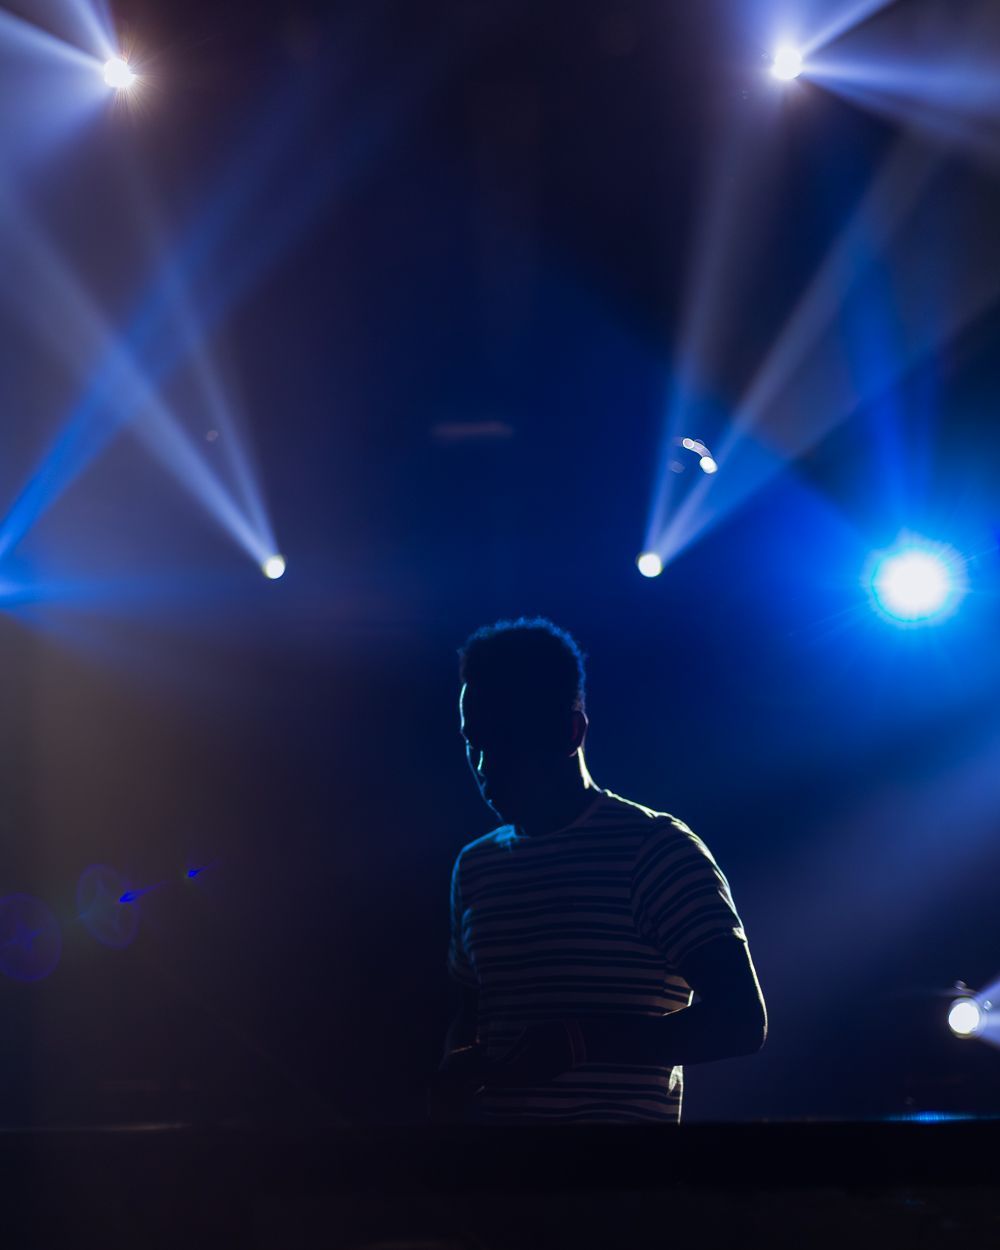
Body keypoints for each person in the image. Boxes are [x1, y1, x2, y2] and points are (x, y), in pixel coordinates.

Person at [428, 616, 766, 1124]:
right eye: (474, 742)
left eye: (505, 740)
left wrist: (580, 1041)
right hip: (496, 1192)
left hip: (621, 1193)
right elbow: (471, 1016)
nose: (484, 764)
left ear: (571, 731)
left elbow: (741, 1021)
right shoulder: (475, 867)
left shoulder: (656, 851)